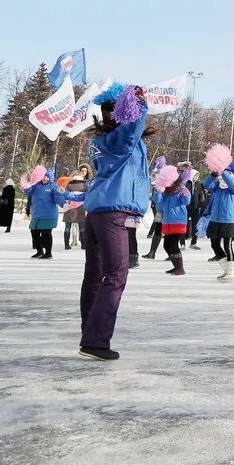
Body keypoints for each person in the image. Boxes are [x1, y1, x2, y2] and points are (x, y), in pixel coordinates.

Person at [80, 84, 151, 361]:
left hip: (99, 212)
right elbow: (132, 130)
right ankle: (96, 339)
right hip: (113, 213)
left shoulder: (100, 141)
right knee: (116, 274)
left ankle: (90, 334)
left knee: (95, 276)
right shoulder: (119, 141)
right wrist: (139, 103)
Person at [206, 164, 234, 282]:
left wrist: (224, 172)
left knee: (227, 245)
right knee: (214, 244)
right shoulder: (218, 185)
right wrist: (214, 174)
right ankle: (226, 268)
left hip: (228, 219)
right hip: (215, 218)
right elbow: (207, 184)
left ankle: (232, 271)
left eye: (228, 173)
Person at [25, 170, 66, 258]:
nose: (44, 178)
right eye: (43, 176)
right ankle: (39, 251)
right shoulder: (36, 186)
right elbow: (28, 191)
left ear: (50, 177)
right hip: (37, 214)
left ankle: (48, 253)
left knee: (46, 234)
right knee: (34, 233)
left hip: (48, 214)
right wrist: (26, 184)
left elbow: (58, 196)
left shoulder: (53, 186)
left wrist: (63, 204)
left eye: (46, 176)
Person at [157, 174, 191, 276]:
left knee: (173, 244)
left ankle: (180, 268)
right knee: (166, 245)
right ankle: (176, 266)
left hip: (178, 222)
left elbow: (186, 201)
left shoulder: (181, 191)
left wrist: (187, 194)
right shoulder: (166, 193)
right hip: (167, 222)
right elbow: (159, 206)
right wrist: (157, 191)